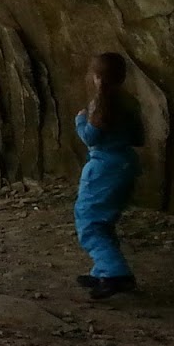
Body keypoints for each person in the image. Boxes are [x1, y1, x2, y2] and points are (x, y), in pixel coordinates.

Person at [74, 51, 145, 299]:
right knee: (105, 221)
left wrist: (80, 120)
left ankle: (116, 273)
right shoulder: (131, 103)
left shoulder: (99, 105)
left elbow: (90, 138)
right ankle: (102, 270)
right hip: (126, 165)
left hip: (104, 168)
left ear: (96, 77)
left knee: (89, 222)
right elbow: (139, 138)